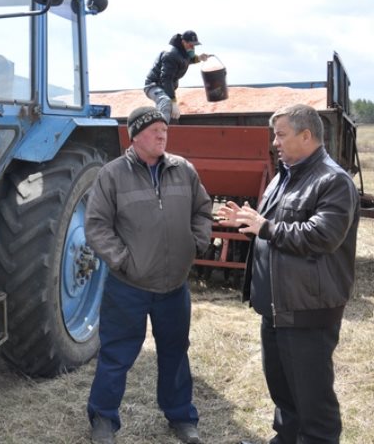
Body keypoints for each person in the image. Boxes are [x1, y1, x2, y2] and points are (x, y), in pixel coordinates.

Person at [216, 104, 359, 444]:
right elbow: (275, 229)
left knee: (314, 407)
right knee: (285, 399)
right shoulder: (284, 175)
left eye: (281, 135)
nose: (274, 142)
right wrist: (250, 221)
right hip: (277, 310)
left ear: (306, 135)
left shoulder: (333, 180)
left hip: (307, 311)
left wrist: (265, 226)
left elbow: (321, 236)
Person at [85, 106, 213, 444]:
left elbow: (202, 209)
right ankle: (103, 420)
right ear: (136, 135)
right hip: (129, 286)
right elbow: (96, 226)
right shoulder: (112, 175)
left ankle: (182, 417)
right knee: (116, 355)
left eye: (165, 130)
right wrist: (123, 261)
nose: (162, 135)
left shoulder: (183, 170)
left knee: (175, 352)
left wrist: (196, 243)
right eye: (155, 130)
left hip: (174, 287)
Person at [144, 30, 210, 123]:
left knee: (171, 114)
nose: (193, 47)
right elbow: (166, 79)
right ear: (183, 42)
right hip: (154, 86)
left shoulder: (183, 52)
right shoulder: (171, 55)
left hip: (165, 87)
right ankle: (161, 131)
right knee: (166, 102)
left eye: (194, 45)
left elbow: (185, 61)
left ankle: (169, 128)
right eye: (191, 44)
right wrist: (173, 101)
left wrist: (199, 58)